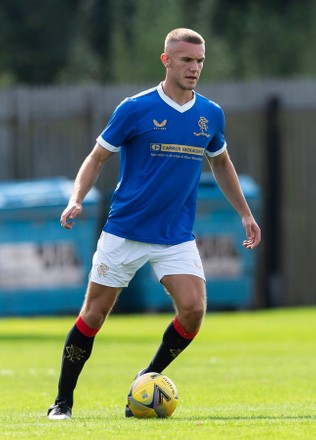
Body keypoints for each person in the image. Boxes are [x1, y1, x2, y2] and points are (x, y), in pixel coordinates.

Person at [47, 28, 261, 420]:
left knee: (194, 311)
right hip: (124, 231)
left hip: (175, 236)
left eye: (199, 61)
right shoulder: (135, 108)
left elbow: (221, 163)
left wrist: (246, 213)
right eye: (186, 60)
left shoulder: (210, 114)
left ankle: (147, 379)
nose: (194, 68)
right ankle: (62, 402)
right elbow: (96, 158)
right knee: (93, 315)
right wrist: (76, 198)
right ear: (166, 61)